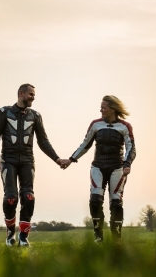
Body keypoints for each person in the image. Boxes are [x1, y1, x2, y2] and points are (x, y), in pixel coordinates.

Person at [0, 83, 66, 247]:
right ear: (21, 93)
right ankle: (10, 233)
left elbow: (43, 141)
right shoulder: (3, 113)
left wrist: (57, 158)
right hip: (8, 161)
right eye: (30, 94)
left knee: (28, 197)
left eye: (34, 94)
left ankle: (23, 237)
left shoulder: (36, 116)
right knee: (11, 198)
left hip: (27, 161)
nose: (33, 97)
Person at [61, 95, 136, 243]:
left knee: (116, 202)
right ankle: (98, 235)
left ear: (113, 109)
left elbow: (131, 147)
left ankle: (116, 238)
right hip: (98, 166)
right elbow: (85, 144)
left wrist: (127, 164)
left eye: (103, 107)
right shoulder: (95, 124)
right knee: (95, 200)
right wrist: (70, 159)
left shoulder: (125, 126)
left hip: (117, 167)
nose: (100, 110)